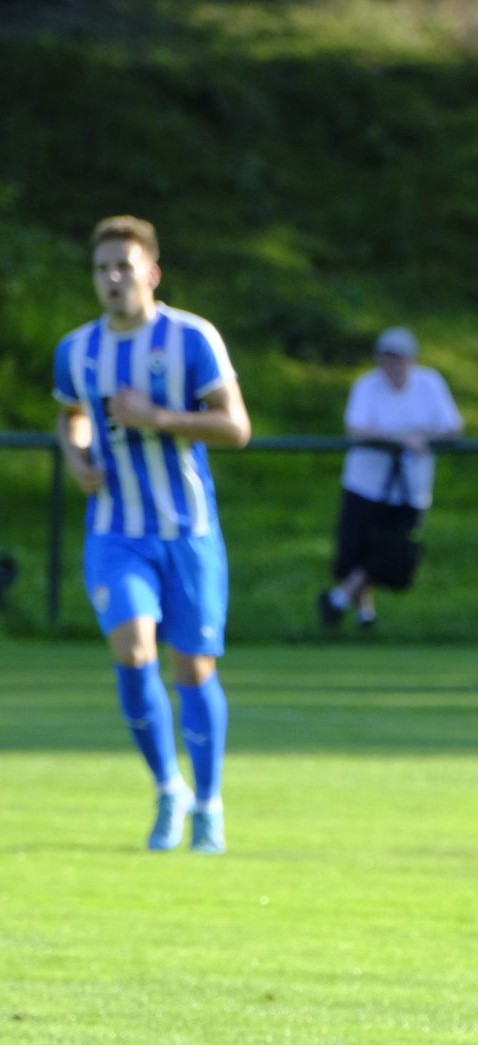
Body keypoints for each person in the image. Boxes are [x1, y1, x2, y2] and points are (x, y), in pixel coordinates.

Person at [53, 215, 252, 853]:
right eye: (102, 268)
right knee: (135, 649)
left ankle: (209, 803)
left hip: (187, 530)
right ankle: (169, 789)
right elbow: (72, 413)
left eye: (124, 266)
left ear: (151, 273)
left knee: (193, 667)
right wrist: (77, 457)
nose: (112, 279)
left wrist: (159, 417)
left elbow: (236, 428)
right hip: (116, 531)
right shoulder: (77, 349)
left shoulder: (192, 337)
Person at [317, 327, 462, 630]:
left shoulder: (430, 383)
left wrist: (422, 438)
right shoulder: (366, 386)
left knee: (391, 551)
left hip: (411, 488)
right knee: (354, 552)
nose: (393, 366)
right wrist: (399, 439)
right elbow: (356, 429)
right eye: (387, 358)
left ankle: (338, 601)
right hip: (365, 484)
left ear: (413, 359)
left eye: (399, 358)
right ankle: (364, 614)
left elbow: (452, 428)